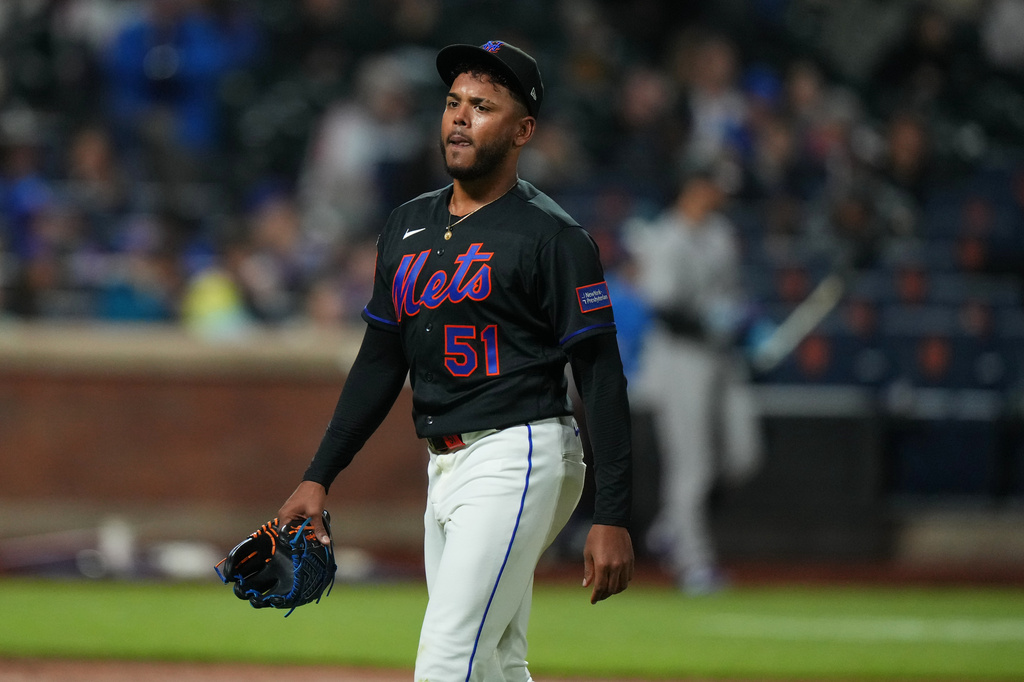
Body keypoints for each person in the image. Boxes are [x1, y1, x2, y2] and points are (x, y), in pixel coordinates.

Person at [277, 40, 635, 681]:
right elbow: (381, 361)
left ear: (523, 130)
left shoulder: (553, 237)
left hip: (518, 453)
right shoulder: (407, 224)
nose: (460, 118)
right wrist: (319, 473)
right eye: (453, 103)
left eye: (482, 106)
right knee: (494, 661)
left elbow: (601, 374)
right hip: (444, 464)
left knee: (446, 658)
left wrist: (611, 514)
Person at [626, 164, 761, 594]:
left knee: (743, 456)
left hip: (721, 356)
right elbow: (662, 307)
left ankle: (671, 527)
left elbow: (732, 294)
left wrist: (743, 321)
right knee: (693, 464)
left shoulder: (719, 233)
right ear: (693, 189)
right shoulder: (665, 236)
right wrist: (710, 322)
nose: (720, 193)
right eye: (712, 186)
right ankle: (693, 562)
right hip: (680, 357)